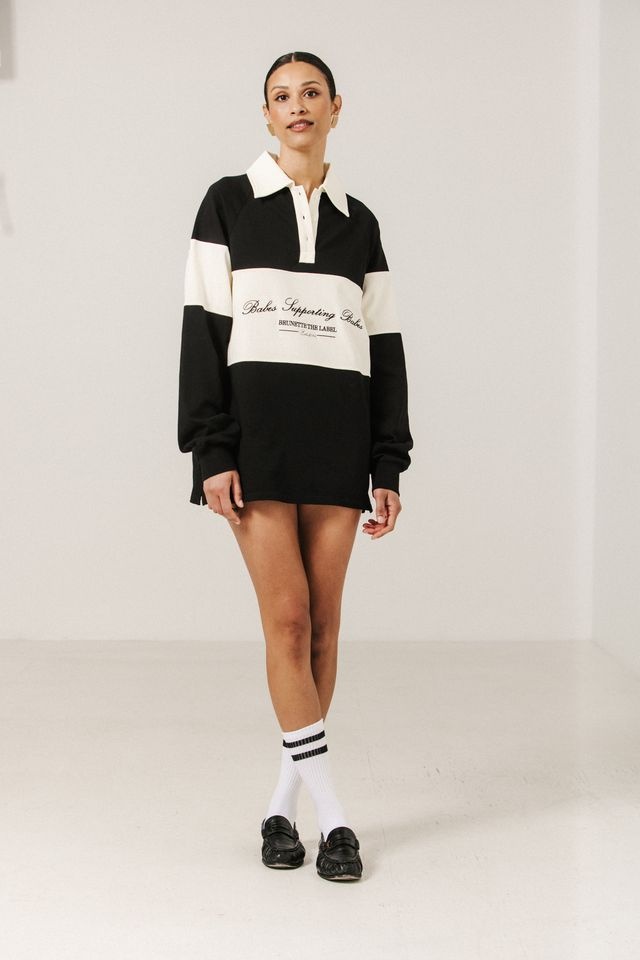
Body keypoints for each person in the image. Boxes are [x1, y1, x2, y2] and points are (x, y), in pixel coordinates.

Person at [177, 51, 413, 882]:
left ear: (336, 108)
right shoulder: (227, 203)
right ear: (267, 115)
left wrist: (387, 463)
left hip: (340, 444)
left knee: (323, 628)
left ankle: (283, 805)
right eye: (282, 96)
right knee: (286, 622)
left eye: (312, 93)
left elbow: (385, 350)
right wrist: (211, 448)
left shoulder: (359, 223)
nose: (297, 105)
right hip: (259, 447)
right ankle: (337, 818)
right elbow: (203, 330)